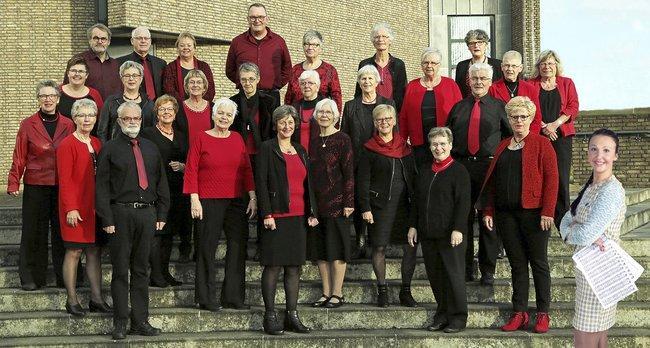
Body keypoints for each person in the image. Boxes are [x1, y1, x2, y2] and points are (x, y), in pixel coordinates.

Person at [480, 97, 558, 334]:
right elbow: (492, 181)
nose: (519, 121)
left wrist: (547, 211)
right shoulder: (503, 145)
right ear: (509, 119)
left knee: (539, 263)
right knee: (517, 265)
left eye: (523, 116)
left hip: (534, 214)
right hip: (506, 215)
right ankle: (520, 313)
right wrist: (489, 209)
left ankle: (543, 313)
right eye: (514, 117)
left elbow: (552, 180)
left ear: (531, 118)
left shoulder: (542, 144)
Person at [95, 101, 170, 340]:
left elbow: (161, 183)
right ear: (119, 121)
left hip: (147, 214)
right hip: (120, 215)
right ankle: (120, 322)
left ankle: (141, 321)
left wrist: (161, 213)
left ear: (141, 120)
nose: (132, 123)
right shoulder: (109, 149)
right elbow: (102, 187)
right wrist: (106, 217)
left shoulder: (151, 148)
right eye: (127, 119)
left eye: (136, 119)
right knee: (120, 270)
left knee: (140, 270)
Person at [183, 98, 256, 311]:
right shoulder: (201, 138)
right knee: (207, 247)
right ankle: (206, 298)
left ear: (233, 119)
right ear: (213, 115)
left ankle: (233, 297)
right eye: (220, 113)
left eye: (228, 115)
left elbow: (246, 170)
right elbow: (191, 169)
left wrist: (253, 197)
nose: (224, 117)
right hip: (207, 200)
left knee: (237, 248)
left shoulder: (237, 139)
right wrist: (194, 198)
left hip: (236, 200)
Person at [446, 62, 512, 284]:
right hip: (462, 168)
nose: (479, 82)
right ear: (468, 81)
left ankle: (487, 269)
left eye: (483, 78)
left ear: (490, 81)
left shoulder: (500, 107)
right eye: (475, 79)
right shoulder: (458, 108)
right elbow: (448, 139)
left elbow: (509, 137)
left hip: (489, 168)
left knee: (488, 219)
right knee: (462, 219)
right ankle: (465, 269)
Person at [560, 129, 626, 348]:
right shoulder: (590, 187)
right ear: (587, 153)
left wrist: (572, 232)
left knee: (586, 337)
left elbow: (586, 232)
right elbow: (565, 220)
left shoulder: (611, 190)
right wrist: (574, 229)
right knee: (597, 339)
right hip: (588, 270)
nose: (600, 155)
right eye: (594, 149)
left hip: (601, 271)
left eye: (606, 150)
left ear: (616, 155)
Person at [256, 105, 319, 335]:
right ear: (276, 125)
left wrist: (312, 211)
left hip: (298, 217)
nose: (286, 126)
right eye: (282, 122)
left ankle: (292, 315)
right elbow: (261, 182)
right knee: (273, 267)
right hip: (276, 216)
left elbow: (308, 183)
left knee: (294, 268)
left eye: (290, 122)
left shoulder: (301, 150)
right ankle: (270, 315)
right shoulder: (267, 148)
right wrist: (267, 213)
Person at [7, 80, 75, 291]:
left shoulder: (69, 124)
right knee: (33, 231)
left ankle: (65, 277)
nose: (47, 99)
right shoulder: (28, 124)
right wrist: (13, 180)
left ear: (57, 98)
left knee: (61, 232)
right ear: (38, 99)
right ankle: (31, 277)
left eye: (51, 95)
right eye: (43, 96)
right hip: (36, 184)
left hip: (61, 185)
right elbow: (20, 154)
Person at [408, 127, 471, 333]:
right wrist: (413, 226)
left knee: (453, 276)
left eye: (443, 143)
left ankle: (458, 318)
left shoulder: (458, 171)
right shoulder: (425, 171)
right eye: (434, 144)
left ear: (450, 145)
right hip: (428, 234)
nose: (438, 148)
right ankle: (442, 314)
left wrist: (458, 228)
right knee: (436, 277)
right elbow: (416, 202)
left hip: (450, 234)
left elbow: (463, 203)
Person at [357, 104, 418, 307]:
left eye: (388, 119)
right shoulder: (368, 149)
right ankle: (382, 290)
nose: (384, 123)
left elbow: (413, 178)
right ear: (375, 123)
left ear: (394, 121)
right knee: (379, 247)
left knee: (409, 248)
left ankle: (406, 291)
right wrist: (365, 208)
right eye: (380, 120)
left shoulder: (406, 148)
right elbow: (363, 181)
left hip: (405, 206)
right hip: (379, 206)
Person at [56, 99, 111, 317]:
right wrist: (71, 208)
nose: (87, 119)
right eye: (82, 115)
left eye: (91, 115)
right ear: (74, 118)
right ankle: (72, 300)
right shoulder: (67, 144)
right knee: (74, 251)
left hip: (95, 208)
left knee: (94, 251)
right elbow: (65, 180)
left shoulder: (98, 143)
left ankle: (96, 299)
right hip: (76, 207)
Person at [342, 64, 396, 258]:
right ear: (358, 82)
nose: (367, 82)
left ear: (377, 81)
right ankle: (360, 238)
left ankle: (378, 238)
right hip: (358, 159)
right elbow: (345, 135)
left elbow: (393, 131)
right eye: (363, 79)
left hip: (381, 159)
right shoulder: (350, 106)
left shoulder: (388, 103)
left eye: (370, 78)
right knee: (359, 197)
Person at [308, 99, 354, 309]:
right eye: (321, 112)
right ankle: (325, 292)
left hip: (338, 202)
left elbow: (349, 172)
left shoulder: (343, 139)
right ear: (316, 116)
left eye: (328, 112)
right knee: (321, 251)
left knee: (337, 249)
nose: (324, 115)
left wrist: (348, 201)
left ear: (335, 116)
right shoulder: (314, 141)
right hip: (318, 204)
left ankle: (338, 292)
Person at [229, 62, 276, 264]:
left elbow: (273, 130)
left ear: (258, 79)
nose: (247, 83)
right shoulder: (232, 102)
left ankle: (261, 245)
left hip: (262, 156)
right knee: (241, 201)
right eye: (244, 79)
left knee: (263, 199)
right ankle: (242, 243)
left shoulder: (269, 101)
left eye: (251, 79)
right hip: (239, 159)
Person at [140, 95, 188, 287]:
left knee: (169, 234)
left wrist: (183, 167)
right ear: (156, 113)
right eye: (162, 109)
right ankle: (156, 274)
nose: (166, 113)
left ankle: (165, 271)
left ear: (175, 114)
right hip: (157, 189)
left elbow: (190, 161)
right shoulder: (148, 134)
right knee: (159, 232)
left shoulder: (182, 135)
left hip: (178, 190)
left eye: (170, 109)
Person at [530, 50, 579, 229]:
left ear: (556, 65)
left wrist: (555, 124)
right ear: (538, 67)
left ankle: (562, 220)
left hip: (561, 136)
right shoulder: (530, 84)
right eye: (543, 63)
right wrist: (544, 127)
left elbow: (573, 107)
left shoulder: (567, 83)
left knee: (561, 177)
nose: (547, 67)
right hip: (538, 135)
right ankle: (542, 216)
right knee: (539, 176)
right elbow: (529, 108)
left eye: (550, 63)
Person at [399, 48, 462, 165]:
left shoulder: (450, 85)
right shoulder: (412, 86)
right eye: (425, 62)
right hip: (419, 142)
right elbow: (404, 117)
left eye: (433, 63)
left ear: (439, 65)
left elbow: (460, 114)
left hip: (443, 142)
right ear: (421, 65)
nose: (429, 66)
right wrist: (401, 142)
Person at [225, 3, 291, 107]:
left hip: (271, 97)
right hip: (246, 97)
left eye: (260, 17)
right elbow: (230, 70)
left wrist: (275, 85)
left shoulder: (279, 42)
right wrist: (245, 84)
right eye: (253, 17)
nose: (257, 20)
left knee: (271, 124)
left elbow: (287, 69)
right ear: (248, 19)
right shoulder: (237, 42)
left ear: (267, 19)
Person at [97, 61, 155, 143]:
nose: (131, 79)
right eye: (127, 75)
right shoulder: (111, 102)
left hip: (143, 151)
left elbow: (153, 132)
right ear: (121, 78)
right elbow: (101, 132)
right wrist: (107, 150)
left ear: (141, 78)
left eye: (135, 75)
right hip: (116, 150)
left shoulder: (149, 103)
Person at [285, 30, 342, 112]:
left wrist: (334, 122)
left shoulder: (329, 70)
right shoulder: (295, 69)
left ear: (320, 48)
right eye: (306, 44)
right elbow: (288, 98)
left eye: (314, 45)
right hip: (297, 117)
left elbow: (337, 99)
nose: (310, 48)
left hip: (321, 119)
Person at [355, 22, 407, 111]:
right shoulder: (365, 64)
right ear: (373, 41)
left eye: (384, 36)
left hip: (392, 112)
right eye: (377, 37)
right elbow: (359, 92)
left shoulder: (399, 65)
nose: (380, 39)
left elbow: (402, 93)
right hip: (369, 110)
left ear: (390, 40)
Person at [488, 50, 542, 133]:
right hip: (501, 138)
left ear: (520, 68)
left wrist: (529, 138)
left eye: (514, 66)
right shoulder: (492, 89)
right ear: (502, 67)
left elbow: (536, 117)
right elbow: (490, 117)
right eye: (507, 65)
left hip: (526, 137)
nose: (510, 69)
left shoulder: (530, 89)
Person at [64, 23, 121, 99]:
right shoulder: (78, 60)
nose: (100, 42)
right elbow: (67, 87)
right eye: (96, 38)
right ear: (90, 40)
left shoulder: (116, 64)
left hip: (110, 109)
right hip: (85, 109)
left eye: (103, 39)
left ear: (109, 42)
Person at [162, 31, 216, 102]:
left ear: (194, 48)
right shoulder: (170, 67)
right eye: (182, 45)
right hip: (179, 108)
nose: (185, 48)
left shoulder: (204, 66)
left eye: (189, 45)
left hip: (201, 107)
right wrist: (186, 105)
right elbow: (169, 90)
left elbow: (210, 89)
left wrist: (198, 103)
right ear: (177, 48)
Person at [117, 26, 167, 101]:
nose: (143, 41)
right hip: (132, 106)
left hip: (157, 107)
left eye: (146, 38)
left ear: (150, 41)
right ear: (132, 41)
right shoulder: (120, 63)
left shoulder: (161, 63)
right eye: (139, 38)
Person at [454, 29, 503, 98]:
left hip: (492, 105)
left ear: (486, 45)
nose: (476, 46)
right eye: (472, 43)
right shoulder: (462, 66)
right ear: (468, 47)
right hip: (468, 105)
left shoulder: (498, 65)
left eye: (480, 42)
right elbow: (458, 91)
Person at [174, 69, 215, 147]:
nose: (195, 85)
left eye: (199, 82)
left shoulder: (214, 108)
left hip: (208, 154)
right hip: (185, 155)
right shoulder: (178, 108)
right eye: (192, 82)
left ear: (204, 87)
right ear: (186, 86)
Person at [59, 56, 104, 122]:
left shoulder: (94, 94)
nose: (77, 74)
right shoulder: (57, 92)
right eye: (73, 71)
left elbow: (101, 120)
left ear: (86, 75)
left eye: (81, 71)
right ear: (68, 73)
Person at [291, 70, 322, 153]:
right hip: (297, 154)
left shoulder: (324, 106)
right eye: (303, 83)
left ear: (317, 87)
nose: (306, 86)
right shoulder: (294, 107)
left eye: (310, 83)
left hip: (319, 155)